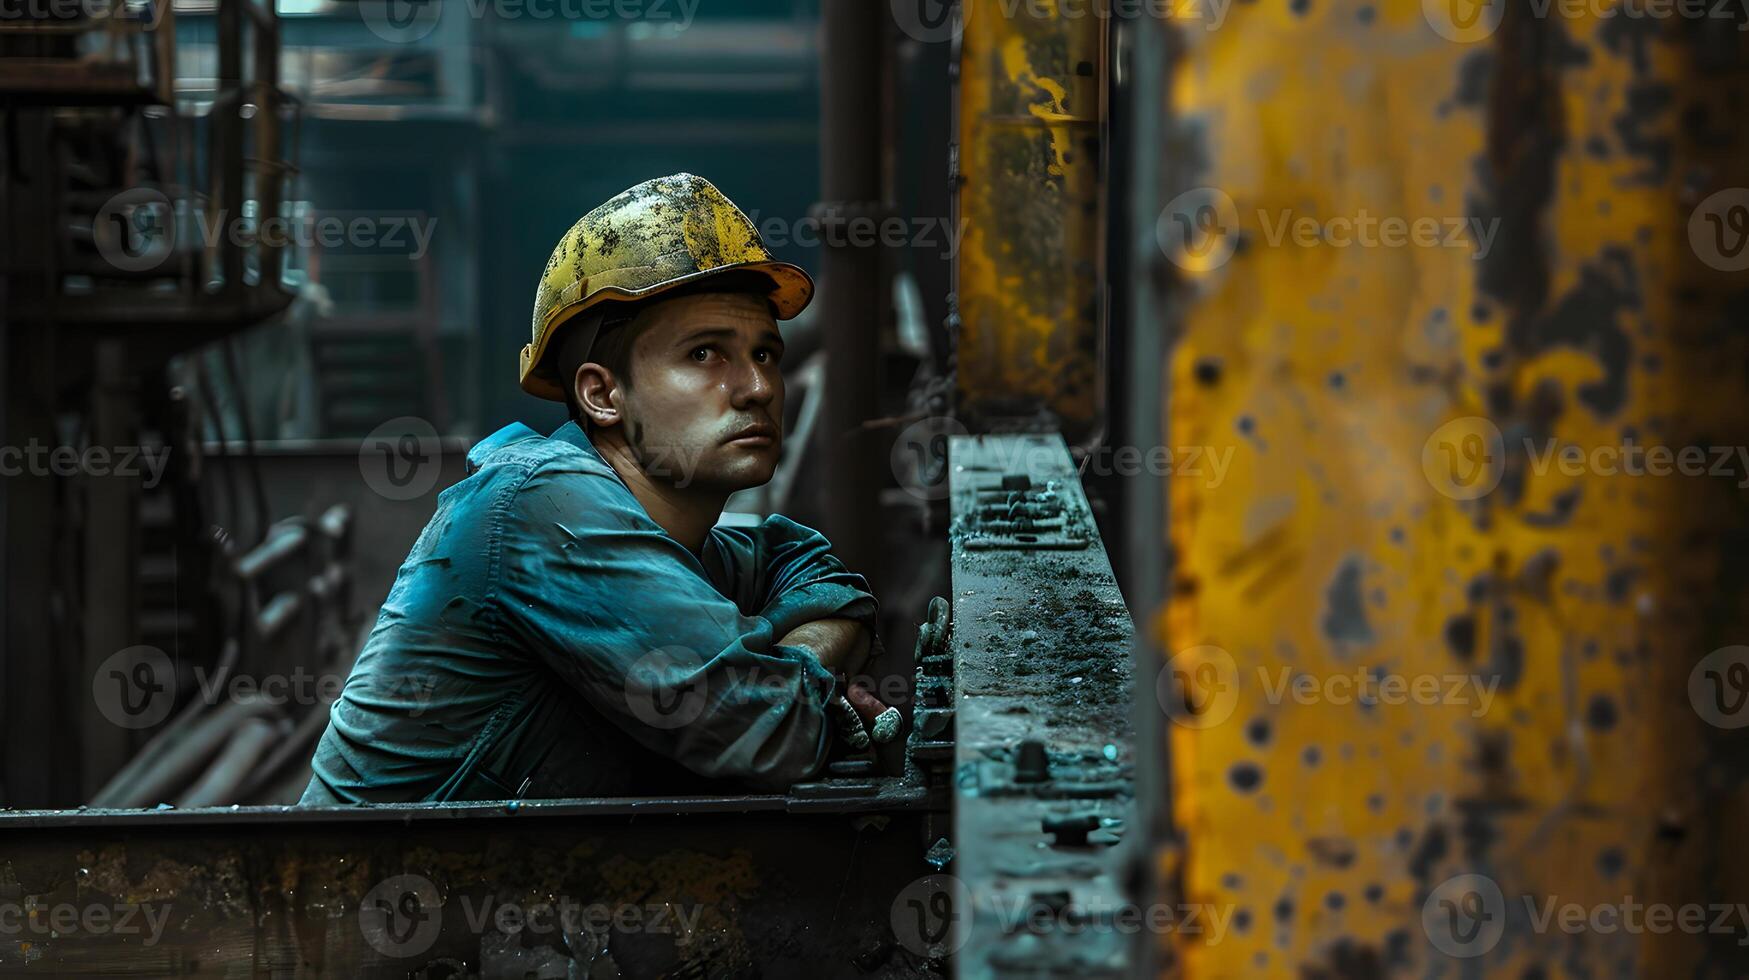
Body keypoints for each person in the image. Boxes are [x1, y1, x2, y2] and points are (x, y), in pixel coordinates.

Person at [302, 173, 888, 803]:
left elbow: (825, 581)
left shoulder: (675, 542)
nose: (758, 388)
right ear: (602, 395)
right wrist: (801, 683)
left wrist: (783, 669)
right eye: (704, 355)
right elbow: (767, 732)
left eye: (766, 354)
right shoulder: (545, 504)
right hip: (365, 895)